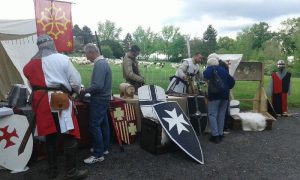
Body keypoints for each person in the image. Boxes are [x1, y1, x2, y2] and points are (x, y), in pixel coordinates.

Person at [23, 35, 88, 179]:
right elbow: (76, 82)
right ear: (52, 44)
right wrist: (75, 92)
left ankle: (53, 171)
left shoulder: (28, 65)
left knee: (50, 137)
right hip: (60, 99)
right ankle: (71, 172)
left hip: (42, 103)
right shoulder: (62, 59)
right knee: (69, 136)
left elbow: (31, 86)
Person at [81, 43, 112, 164]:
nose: (86, 57)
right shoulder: (103, 63)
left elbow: (98, 86)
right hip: (104, 98)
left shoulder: (99, 64)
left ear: (91, 53)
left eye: (86, 54)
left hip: (99, 99)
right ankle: (103, 148)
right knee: (103, 124)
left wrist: (85, 90)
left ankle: (98, 154)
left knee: (94, 125)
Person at [203, 53, 235, 143]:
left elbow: (204, 76)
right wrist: (226, 89)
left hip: (214, 96)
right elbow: (232, 81)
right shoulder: (223, 69)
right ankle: (220, 134)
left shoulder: (209, 69)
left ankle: (215, 135)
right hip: (225, 96)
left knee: (212, 114)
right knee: (221, 114)